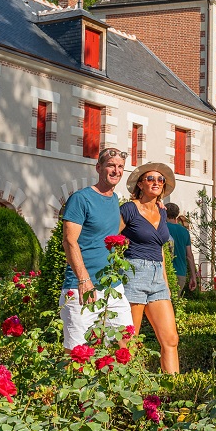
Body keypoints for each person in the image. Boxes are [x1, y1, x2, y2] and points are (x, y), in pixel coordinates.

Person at [60, 148, 134, 352]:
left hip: (112, 287)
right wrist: (84, 280)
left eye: (120, 167)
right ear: (99, 168)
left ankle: (117, 384)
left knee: (126, 340)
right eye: (111, 165)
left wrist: (158, 204)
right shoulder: (81, 199)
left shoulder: (115, 200)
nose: (116, 170)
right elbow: (69, 241)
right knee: (76, 353)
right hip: (81, 287)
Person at [120, 162, 180, 373]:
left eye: (160, 179)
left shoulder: (162, 212)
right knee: (129, 340)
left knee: (171, 339)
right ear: (140, 184)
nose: (156, 182)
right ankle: (124, 393)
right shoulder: (129, 209)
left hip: (157, 277)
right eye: (151, 178)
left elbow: (160, 248)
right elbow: (109, 239)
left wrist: (165, 281)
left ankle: (174, 389)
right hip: (133, 272)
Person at [165, 203, 198, 295]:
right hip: (181, 273)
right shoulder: (184, 231)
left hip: (166, 272)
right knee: (175, 303)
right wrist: (193, 276)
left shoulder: (163, 227)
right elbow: (189, 256)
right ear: (177, 214)